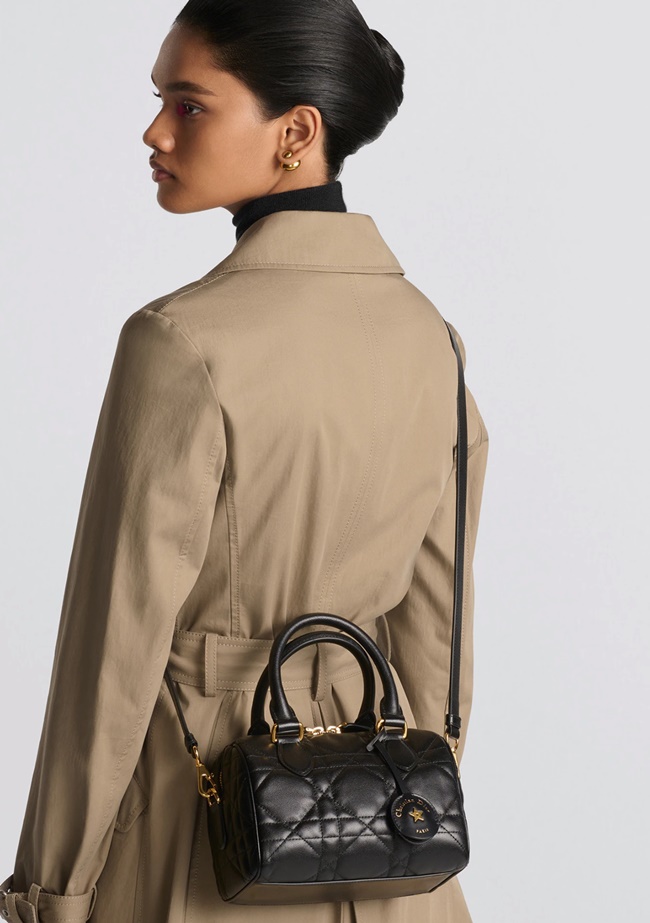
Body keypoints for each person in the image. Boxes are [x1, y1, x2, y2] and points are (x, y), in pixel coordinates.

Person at [0, 2, 489, 922]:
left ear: (296, 133)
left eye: (188, 104)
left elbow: (110, 656)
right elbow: (440, 634)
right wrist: (404, 804)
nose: (155, 131)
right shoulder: (434, 339)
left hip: (198, 828)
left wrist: (52, 889)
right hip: (389, 855)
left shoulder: (178, 342)